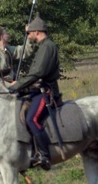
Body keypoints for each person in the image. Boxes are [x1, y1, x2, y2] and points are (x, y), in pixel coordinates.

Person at [9, 14, 60, 171]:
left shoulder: (47, 47)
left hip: (46, 92)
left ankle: (45, 156)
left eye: (29, 33)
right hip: (36, 90)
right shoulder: (42, 47)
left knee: (32, 119)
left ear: (37, 32)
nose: (28, 35)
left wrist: (17, 85)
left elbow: (37, 73)